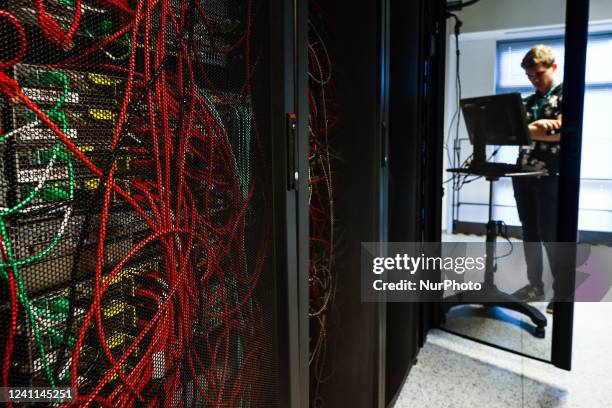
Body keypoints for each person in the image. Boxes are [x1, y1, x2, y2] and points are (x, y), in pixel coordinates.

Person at [511, 45, 563, 313]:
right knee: (529, 231)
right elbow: (514, 131)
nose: (534, 80)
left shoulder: (567, 94)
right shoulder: (528, 102)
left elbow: (562, 131)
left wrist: (531, 129)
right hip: (524, 174)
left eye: (538, 74)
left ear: (553, 67)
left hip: (550, 176)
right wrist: (542, 126)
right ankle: (535, 286)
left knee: (550, 234)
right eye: (530, 76)